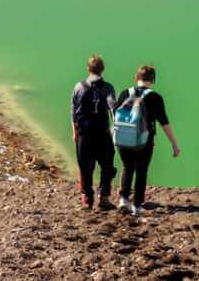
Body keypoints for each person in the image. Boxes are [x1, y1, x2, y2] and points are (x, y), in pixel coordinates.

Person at [113, 65, 180, 216]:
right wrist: (174, 144)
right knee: (142, 171)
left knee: (127, 167)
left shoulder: (125, 93)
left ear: (136, 78)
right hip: (144, 140)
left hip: (123, 137)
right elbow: (164, 123)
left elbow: (115, 112)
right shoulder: (155, 97)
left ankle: (123, 200)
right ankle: (137, 206)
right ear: (153, 80)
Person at [71, 55, 118, 210]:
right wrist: (116, 129)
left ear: (88, 68)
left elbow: (73, 111)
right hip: (103, 134)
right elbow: (113, 108)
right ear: (102, 69)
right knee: (107, 166)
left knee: (85, 167)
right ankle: (103, 198)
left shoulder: (79, 86)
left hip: (84, 134)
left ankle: (87, 199)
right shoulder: (108, 87)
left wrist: (74, 132)